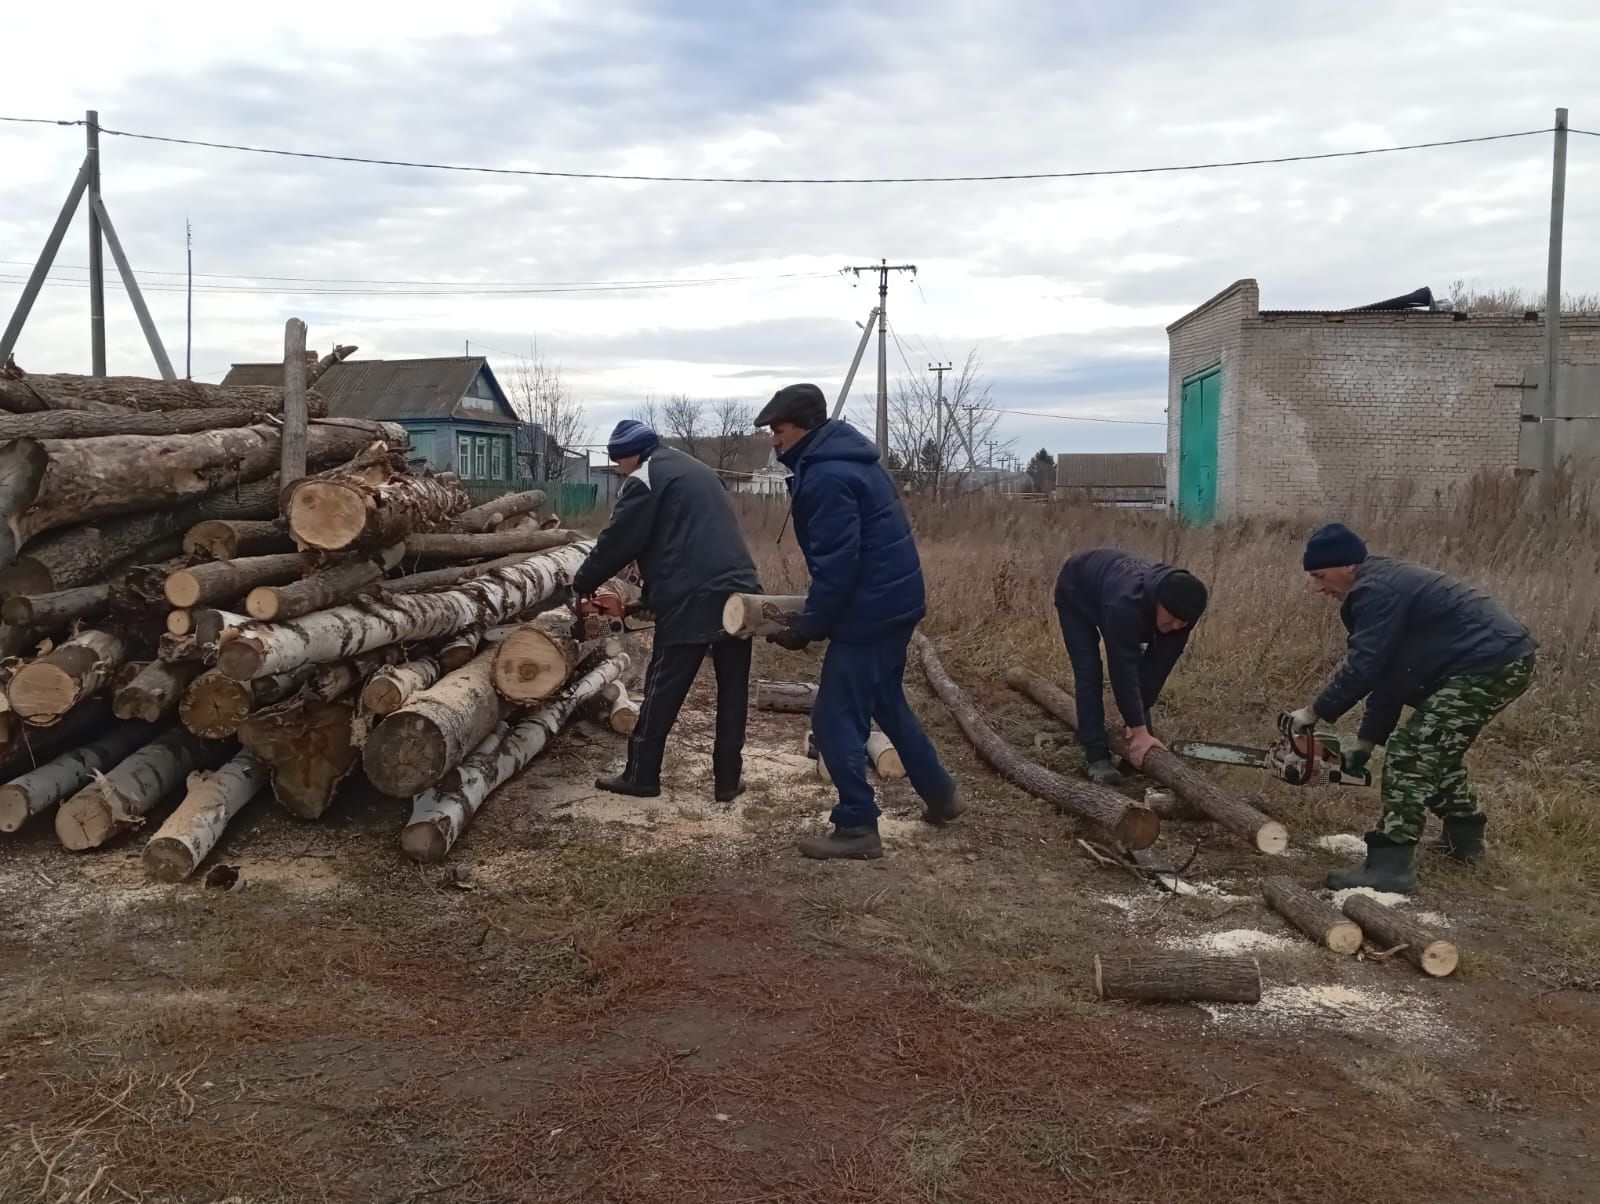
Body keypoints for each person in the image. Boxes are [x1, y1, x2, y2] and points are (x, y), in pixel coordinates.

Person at [756, 383, 965, 860]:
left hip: (871, 610)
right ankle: (942, 795)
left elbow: (838, 566)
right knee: (888, 705)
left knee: (834, 716)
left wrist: (808, 627)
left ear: (803, 427)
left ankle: (857, 826)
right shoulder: (847, 460)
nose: (774, 439)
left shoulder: (828, 477)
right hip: (894, 602)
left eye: (779, 429)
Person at [1282, 523, 1536, 893]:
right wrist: (1366, 742)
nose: (1317, 588)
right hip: (1497, 661)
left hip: (1486, 665)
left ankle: (1391, 867)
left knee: (1411, 755)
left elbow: (1363, 667)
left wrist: (1313, 712)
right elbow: (1390, 672)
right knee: (1434, 751)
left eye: (1320, 576)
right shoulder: (1381, 584)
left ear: (1347, 565)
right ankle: (1464, 842)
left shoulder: (1375, 591)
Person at [573, 419, 761, 802]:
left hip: (693, 595)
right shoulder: (695, 469)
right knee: (733, 689)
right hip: (741, 592)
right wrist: (653, 596)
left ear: (627, 456)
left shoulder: (644, 478)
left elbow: (619, 541)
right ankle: (728, 779)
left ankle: (642, 775)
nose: (619, 471)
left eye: (618, 463)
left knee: (664, 686)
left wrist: (581, 582)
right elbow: (685, 539)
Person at [1053, 548, 1208, 785]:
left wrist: (1138, 723)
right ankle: (1095, 755)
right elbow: (1123, 668)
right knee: (1089, 671)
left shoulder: (1184, 613)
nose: (1175, 625)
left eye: (1183, 622)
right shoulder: (1125, 605)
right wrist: (1138, 728)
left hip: (1108, 590)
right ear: (1158, 601)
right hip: (1077, 590)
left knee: (1142, 676)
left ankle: (1132, 747)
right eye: (1172, 617)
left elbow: (1157, 668)